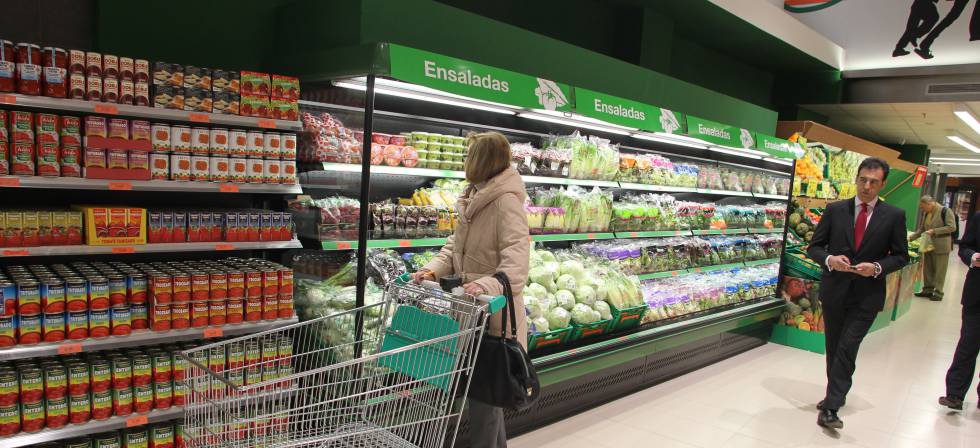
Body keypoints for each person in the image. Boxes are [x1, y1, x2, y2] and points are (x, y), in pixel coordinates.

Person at [410, 131, 529, 448]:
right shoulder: (473, 197)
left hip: (493, 316)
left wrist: (483, 284)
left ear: (482, 161)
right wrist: (431, 269)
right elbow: (453, 248)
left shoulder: (506, 203)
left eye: (469, 155)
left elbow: (516, 266)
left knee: (483, 397)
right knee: (483, 394)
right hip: (467, 311)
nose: (465, 162)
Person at [807, 157, 910, 430]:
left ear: (882, 183)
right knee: (834, 346)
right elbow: (814, 247)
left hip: (867, 295)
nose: (867, 186)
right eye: (863, 179)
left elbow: (901, 256)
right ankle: (833, 394)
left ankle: (831, 407)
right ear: (856, 178)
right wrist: (830, 260)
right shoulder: (834, 210)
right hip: (835, 291)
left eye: (873, 182)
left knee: (848, 346)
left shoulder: (894, 216)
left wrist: (876, 267)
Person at [938, 210, 980, 411]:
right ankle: (955, 394)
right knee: (967, 345)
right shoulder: (979, 217)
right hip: (976, 297)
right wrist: (972, 256)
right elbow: (965, 247)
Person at [908, 195, 956, 301]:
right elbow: (922, 228)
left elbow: (952, 227)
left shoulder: (945, 211)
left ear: (930, 204)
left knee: (940, 270)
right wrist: (911, 237)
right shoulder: (927, 213)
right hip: (928, 245)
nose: (922, 210)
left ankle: (938, 292)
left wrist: (934, 231)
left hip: (941, 245)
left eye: (923, 207)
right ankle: (927, 290)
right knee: (928, 269)